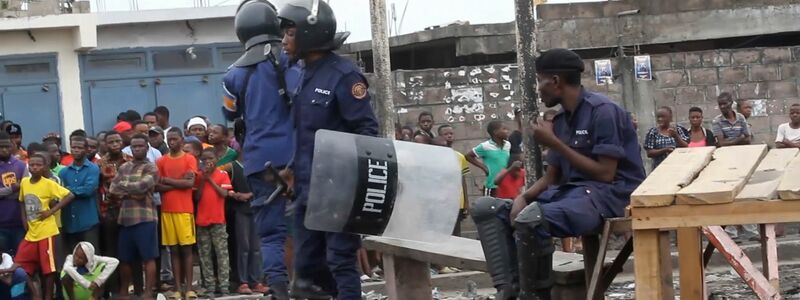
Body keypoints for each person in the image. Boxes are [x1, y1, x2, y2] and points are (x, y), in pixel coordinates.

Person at [471, 48, 645, 299]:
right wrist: (524, 197)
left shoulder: (603, 111)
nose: (538, 90)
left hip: (611, 195)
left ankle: (534, 296)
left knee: (532, 220)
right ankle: (508, 290)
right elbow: (553, 176)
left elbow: (606, 174)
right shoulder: (562, 120)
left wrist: (554, 143)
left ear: (555, 81)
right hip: (574, 194)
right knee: (488, 210)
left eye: (539, 81)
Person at [278, 1, 379, 298]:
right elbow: (306, 133)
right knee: (307, 270)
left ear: (310, 33)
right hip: (307, 189)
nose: (284, 41)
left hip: (338, 190)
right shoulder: (303, 74)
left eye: (290, 33)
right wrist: (292, 170)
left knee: (339, 260)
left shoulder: (343, 75)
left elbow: (366, 131)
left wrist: (352, 185)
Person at [222, 1, 298, 298]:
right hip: (296, 156)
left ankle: (277, 288)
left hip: (258, 162)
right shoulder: (290, 60)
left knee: (270, 233)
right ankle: (307, 282)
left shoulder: (233, 74)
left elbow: (229, 113)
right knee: (305, 223)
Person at [17, 153, 76, 300]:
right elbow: (22, 201)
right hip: (31, 232)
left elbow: (69, 195)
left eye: (38, 165)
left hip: (47, 232)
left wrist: (51, 211)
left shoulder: (48, 183)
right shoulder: (24, 182)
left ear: (44, 167)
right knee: (20, 264)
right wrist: (24, 219)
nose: (35, 167)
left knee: (48, 268)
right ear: (28, 166)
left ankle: (48, 296)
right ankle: (36, 294)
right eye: (32, 165)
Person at [109, 134, 159, 300]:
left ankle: (148, 291)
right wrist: (133, 192)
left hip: (145, 218)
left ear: (147, 147)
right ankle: (124, 291)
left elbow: (142, 186)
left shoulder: (151, 168)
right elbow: (112, 189)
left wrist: (126, 188)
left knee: (148, 257)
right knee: (125, 258)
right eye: (134, 146)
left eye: (140, 146)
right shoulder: (124, 167)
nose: (137, 149)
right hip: (125, 219)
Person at [156, 128, 198, 299]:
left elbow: (190, 183)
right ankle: (177, 288)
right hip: (167, 211)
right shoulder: (161, 161)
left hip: (184, 210)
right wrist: (177, 182)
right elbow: (157, 186)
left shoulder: (189, 158)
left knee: (187, 250)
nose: (171, 142)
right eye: (169, 139)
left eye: (174, 139)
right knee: (173, 250)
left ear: (182, 139)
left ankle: (189, 288)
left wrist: (167, 181)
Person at [228, 153, 269, 295]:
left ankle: (256, 280)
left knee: (256, 248)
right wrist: (235, 194)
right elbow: (224, 185)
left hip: (256, 209)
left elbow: (266, 185)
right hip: (240, 210)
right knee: (243, 247)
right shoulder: (233, 167)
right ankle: (243, 281)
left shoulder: (258, 165)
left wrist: (251, 194)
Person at [95, 131, 130, 297]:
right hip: (108, 212)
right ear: (105, 144)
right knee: (110, 251)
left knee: (129, 251)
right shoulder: (99, 163)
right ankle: (113, 289)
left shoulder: (130, 160)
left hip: (128, 211)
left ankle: (132, 287)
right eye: (111, 142)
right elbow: (97, 189)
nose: (115, 144)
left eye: (117, 141)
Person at [195, 148, 232, 297]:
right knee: (205, 256)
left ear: (216, 159)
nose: (207, 162)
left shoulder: (222, 174)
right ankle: (209, 286)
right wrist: (203, 180)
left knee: (222, 255)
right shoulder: (199, 176)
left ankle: (224, 286)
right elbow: (196, 197)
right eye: (204, 159)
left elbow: (224, 194)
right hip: (202, 221)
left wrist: (210, 179)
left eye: (210, 158)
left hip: (218, 220)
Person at [58, 136, 101, 253]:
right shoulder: (64, 172)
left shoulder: (93, 168)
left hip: (88, 221)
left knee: (92, 257)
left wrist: (68, 190)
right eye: (73, 147)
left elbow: (88, 190)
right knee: (72, 258)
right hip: (69, 223)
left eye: (79, 147)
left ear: (86, 150)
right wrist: (72, 191)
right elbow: (59, 193)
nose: (76, 150)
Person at [466, 120, 510, 196]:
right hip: (492, 186)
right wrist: (484, 167)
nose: (507, 131)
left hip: (505, 185)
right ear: (495, 132)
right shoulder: (485, 146)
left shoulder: (508, 145)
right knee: (490, 206)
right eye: (504, 129)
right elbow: (468, 156)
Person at [0, 132, 27, 256]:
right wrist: (12, 189)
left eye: (7, 146)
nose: (4, 149)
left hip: (18, 223)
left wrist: (4, 193)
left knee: (20, 259)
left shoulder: (21, 166)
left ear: (12, 146)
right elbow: (17, 188)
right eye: (1, 147)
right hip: (1, 224)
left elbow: (25, 190)